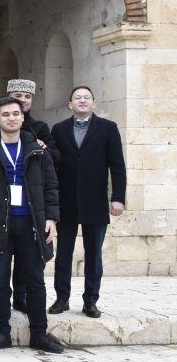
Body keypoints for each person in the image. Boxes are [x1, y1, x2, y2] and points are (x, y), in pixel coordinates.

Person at [0, 97, 64, 354]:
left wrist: (51, 218)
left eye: (15, 114)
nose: (11, 118)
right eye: (5, 114)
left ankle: (39, 332)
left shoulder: (37, 149)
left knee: (35, 280)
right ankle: (2, 332)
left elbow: (51, 185)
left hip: (31, 223)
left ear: (23, 117)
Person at [49, 86, 126, 318]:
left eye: (86, 98)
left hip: (95, 201)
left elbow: (117, 165)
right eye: (77, 98)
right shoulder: (59, 129)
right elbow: (53, 164)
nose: (82, 101)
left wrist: (118, 198)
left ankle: (90, 301)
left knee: (94, 254)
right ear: (70, 104)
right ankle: (61, 299)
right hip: (66, 201)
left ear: (93, 103)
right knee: (63, 253)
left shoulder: (108, 128)